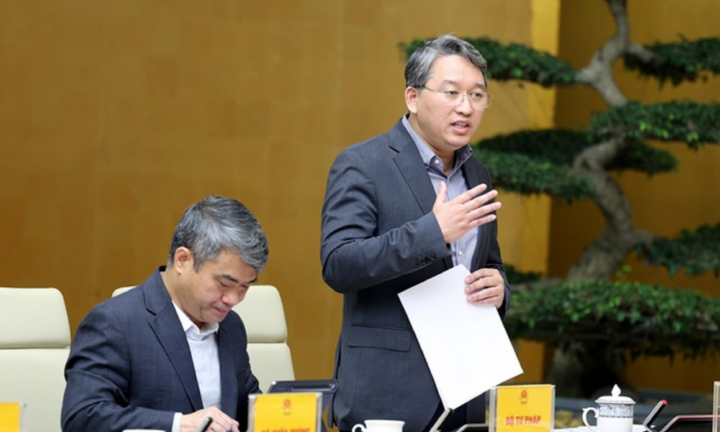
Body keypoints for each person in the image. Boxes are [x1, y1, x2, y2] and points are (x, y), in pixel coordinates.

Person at [320, 34, 511, 432]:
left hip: (466, 388)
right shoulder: (363, 164)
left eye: (477, 95)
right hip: (389, 390)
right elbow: (339, 264)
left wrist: (499, 287)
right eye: (452, 92)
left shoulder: (477, 173)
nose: (466, 107)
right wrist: (432, 233)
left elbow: (488, 262)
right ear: (413, 97)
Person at [62, 195, 269, 432]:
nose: (233, 299)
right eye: (224, 283)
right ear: (183, 260)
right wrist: (179, 424)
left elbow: (247, 408)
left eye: (244, 287)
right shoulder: (114, 322)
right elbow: (82, 417)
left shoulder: (231, 326)